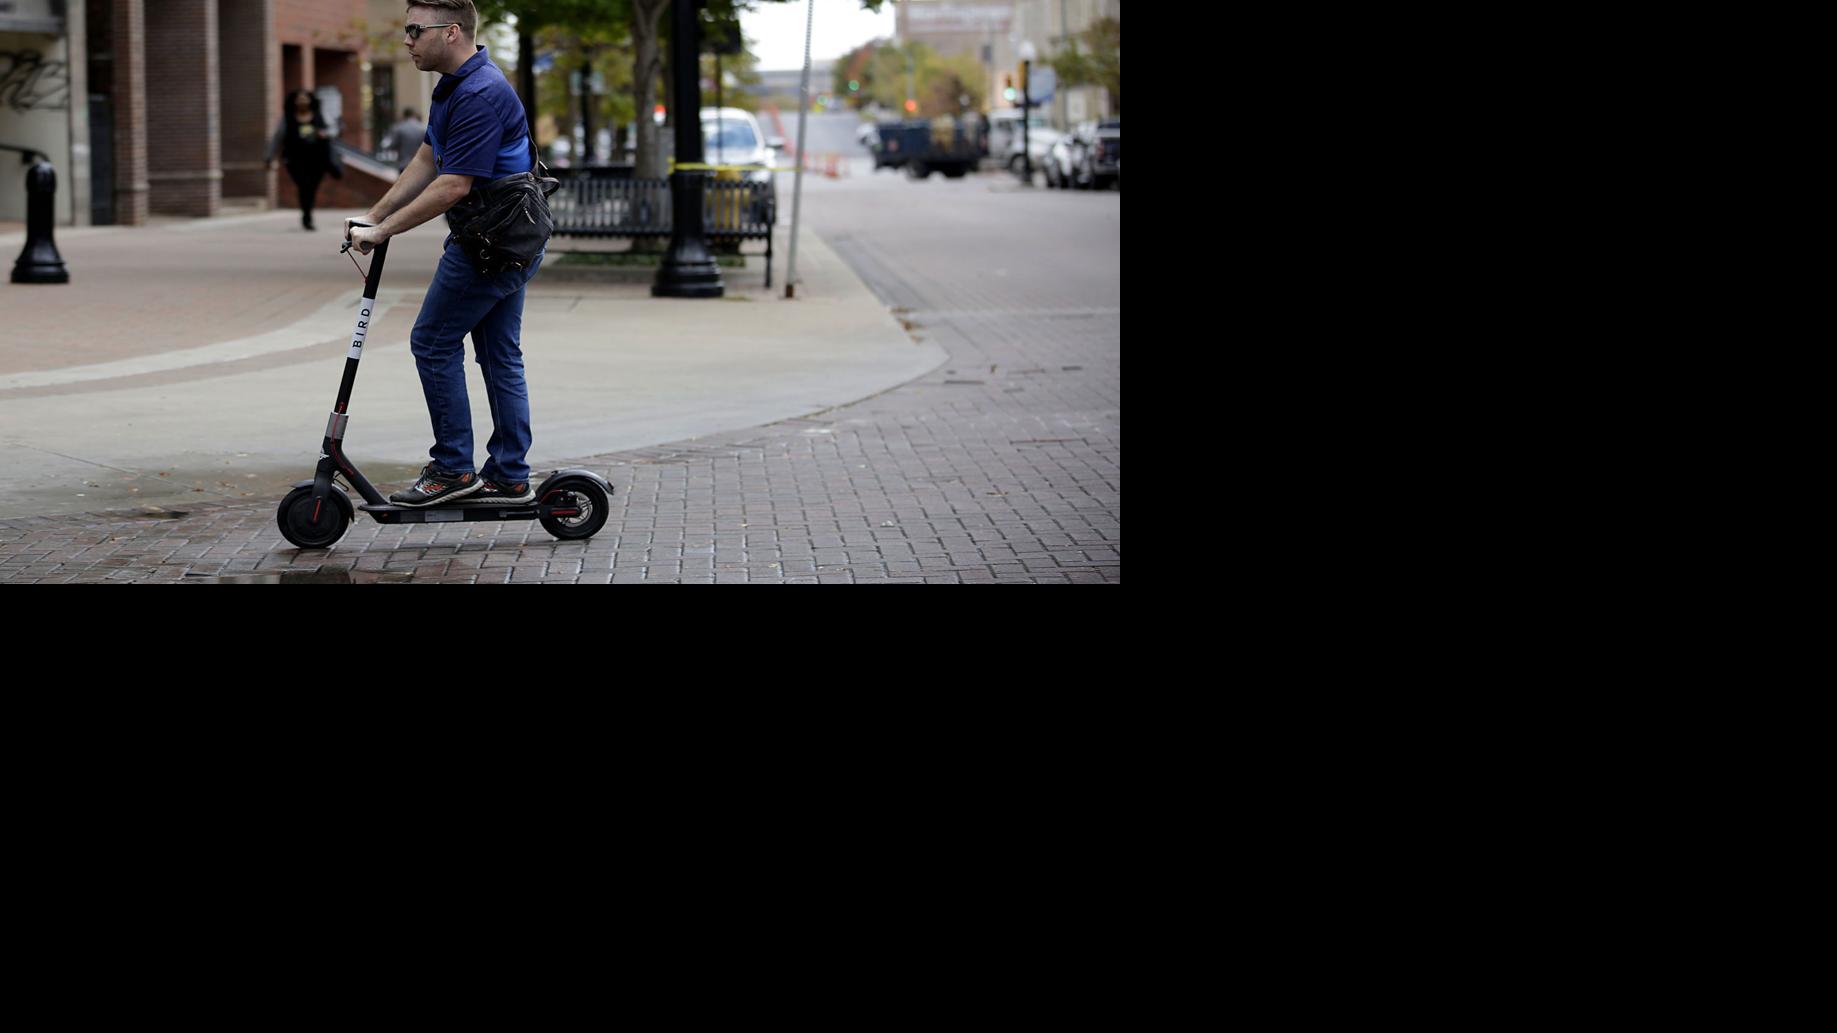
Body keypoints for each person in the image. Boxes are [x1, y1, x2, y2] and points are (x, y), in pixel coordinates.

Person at [346, 0, 543, 507]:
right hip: (501, 238)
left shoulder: (480, 93)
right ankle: (509, 475)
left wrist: (384, 231)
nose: (406, 40)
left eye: (415, 30)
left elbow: (454, 184)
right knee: (499, 354)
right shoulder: (454, 85)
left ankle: (454, 468)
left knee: (433, 342)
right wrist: (374, 216)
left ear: (452, 32)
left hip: (491, 243)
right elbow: (427, 159)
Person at [265, 89, 343, 231]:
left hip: (317, 159)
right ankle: (307, 215)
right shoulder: (288, 118)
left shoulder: (320, 115)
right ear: (294, 102)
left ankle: (307, 214)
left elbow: (334, 129)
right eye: (299, 99)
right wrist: (269, 157)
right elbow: (278, 137)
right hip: (295, 160)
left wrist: (324, 134)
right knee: (303, 186)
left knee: (311, 187)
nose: (302, 102)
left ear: (310, 100)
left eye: (305, 98)